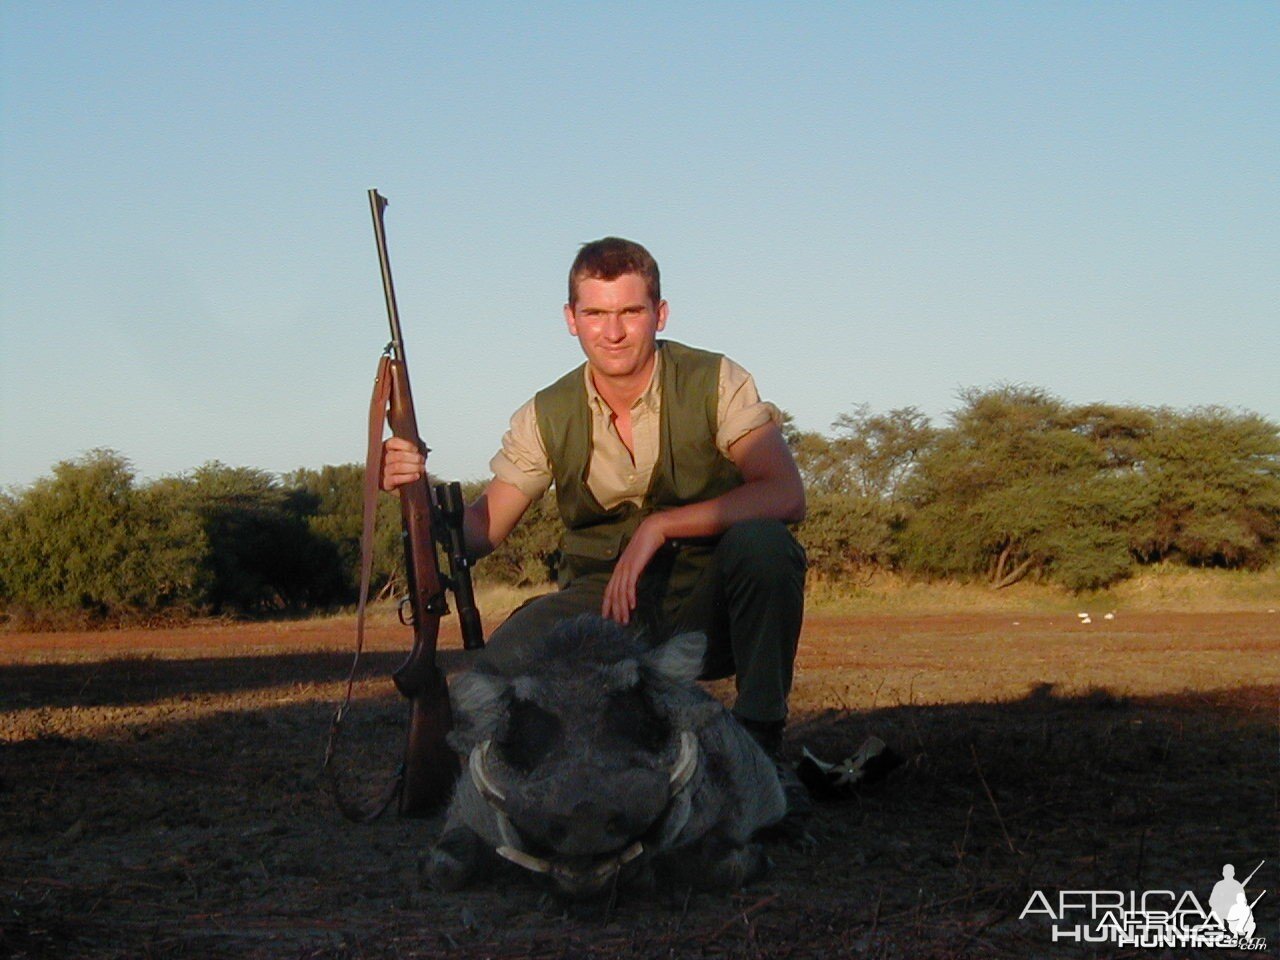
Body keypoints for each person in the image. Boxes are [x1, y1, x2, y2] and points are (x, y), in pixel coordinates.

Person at [381, 237, 808, 805]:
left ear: (659, 314)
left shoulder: (717, 380)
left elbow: (784, 493)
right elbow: (482, 530)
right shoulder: (545, 412)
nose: (613, 333)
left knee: (764, 545)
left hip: (708, 600)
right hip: (598, 607)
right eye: (595, 314)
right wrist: (412, 490)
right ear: (570, 320)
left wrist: (660, 527)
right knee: (489, 685)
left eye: (631, 312)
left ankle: (760, 747)